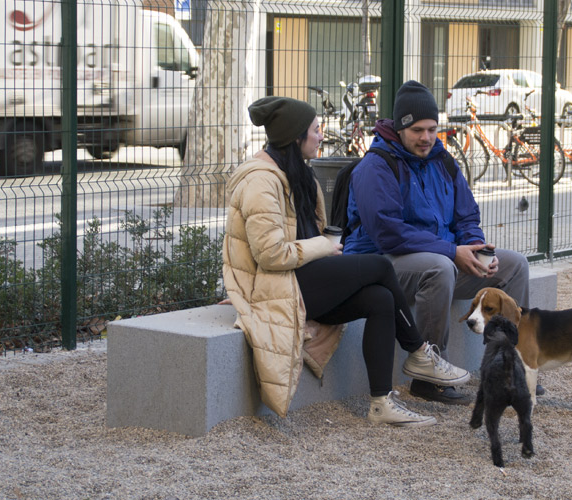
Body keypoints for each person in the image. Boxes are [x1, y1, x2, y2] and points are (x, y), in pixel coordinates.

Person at [221, 96, 471, 427]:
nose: (322, 135)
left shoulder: (299, 175)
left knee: (380, 299)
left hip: (301, 280)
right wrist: (322, 247)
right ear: (295, 137)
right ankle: (419, 353)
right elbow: (270, 254)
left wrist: (324, 246)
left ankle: (381, 403)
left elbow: (310, 237)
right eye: (315, 129)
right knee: (379, 266)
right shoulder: (260, 181)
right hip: (279, 285)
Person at [343, 80, 532, 405]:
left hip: (439, 259)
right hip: (379, 266)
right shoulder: (375, 167)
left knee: (515, 265)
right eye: (417, 130)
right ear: (400, 128)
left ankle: (507, 366)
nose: (427, 137)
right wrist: (452, 251)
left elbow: (466, 215)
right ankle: (428, 374)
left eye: (432, 129)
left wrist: (475, 247)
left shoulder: (443, 161)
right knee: (440, 267)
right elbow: (389, 234)